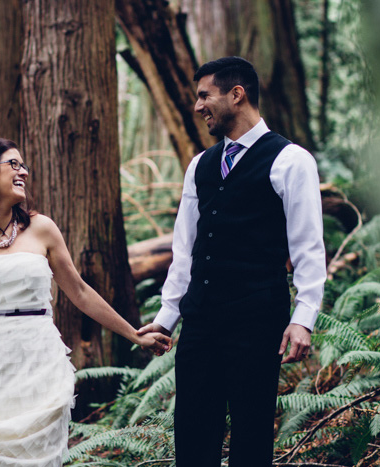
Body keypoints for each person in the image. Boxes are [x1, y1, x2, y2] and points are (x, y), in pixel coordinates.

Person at [0, 138, 171, 467]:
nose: (23, 172)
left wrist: (134, 334)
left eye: (23, 165)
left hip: (39, 362)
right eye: (13, 164)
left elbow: (81, 292)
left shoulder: (41, 228)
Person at [137, 57, 326, 466]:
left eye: (205, 95)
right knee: (192, 431)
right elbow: (185, 249)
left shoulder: (291, 161)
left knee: (251, 433)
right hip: (202, 322)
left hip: (257, 319)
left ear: (236, 95)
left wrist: (304, 315)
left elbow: (309, 247)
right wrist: (168, 316)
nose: (198, 105)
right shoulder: (199, 166)